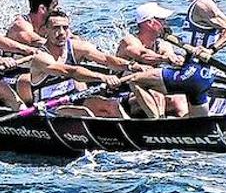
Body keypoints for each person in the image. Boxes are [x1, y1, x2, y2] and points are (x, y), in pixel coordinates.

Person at [25, 9, 162, 118]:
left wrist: (132, 66)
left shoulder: (77, 47)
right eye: (55, 28)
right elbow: (70, 71)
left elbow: (106, 59)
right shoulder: (40, 57)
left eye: (65, 27)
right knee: (84, 113)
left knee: (112, 106)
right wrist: (103, 78)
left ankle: (135, 133)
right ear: (45, 31)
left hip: (75, 99)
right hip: (49, 107)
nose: (61, 33)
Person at [115, 2, 188, 118]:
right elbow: (142, 55)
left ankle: (192, 127)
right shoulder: (129, 41)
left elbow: (169, 53)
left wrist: (179, 60)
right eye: (162, 20)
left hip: (148, 92)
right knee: (156, 95)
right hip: (123, 94)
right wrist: (165, 58)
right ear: (150, 23)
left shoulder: (162, 45)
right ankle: (158, 126)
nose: (166, 24)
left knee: (179, 99)